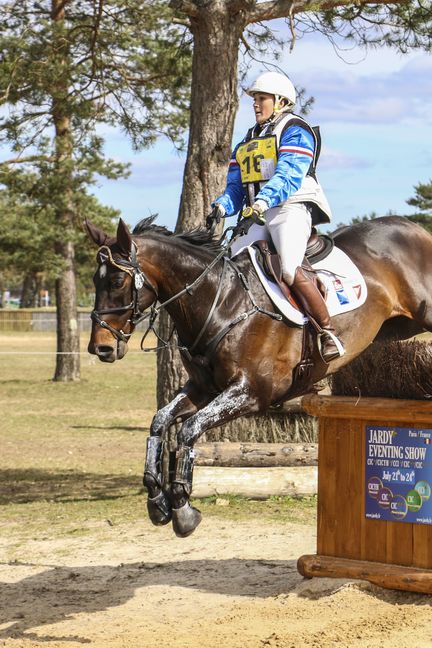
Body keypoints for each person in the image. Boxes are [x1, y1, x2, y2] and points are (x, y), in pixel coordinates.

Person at [207, 71, 344, 363]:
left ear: (280, 101)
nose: (256, 105)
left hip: (290, 206)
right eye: (255, 100)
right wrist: (221, 206)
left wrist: (264, 201)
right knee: (230, 269)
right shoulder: (247, 139)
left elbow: (289, 175)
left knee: (289, 269)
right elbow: (236, 187)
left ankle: (327, 331)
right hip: (258, 212)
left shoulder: (296, 129)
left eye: (261, 99)